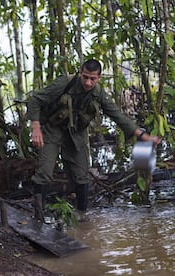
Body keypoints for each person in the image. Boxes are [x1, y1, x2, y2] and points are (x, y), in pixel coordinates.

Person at [26, 59, 161, 222]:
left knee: (82, 175)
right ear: (80, 74)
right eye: (85, 77)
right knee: (45, 172)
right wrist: (36, 128)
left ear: (99, 78)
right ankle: (38, 217)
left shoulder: (99, 93)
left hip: (76, 132)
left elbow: (117, 115)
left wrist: (142, 135)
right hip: (53, 129)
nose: (88, 83)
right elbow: (35, 100)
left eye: (92, 79)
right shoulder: (64, 83)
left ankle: (81, 217)